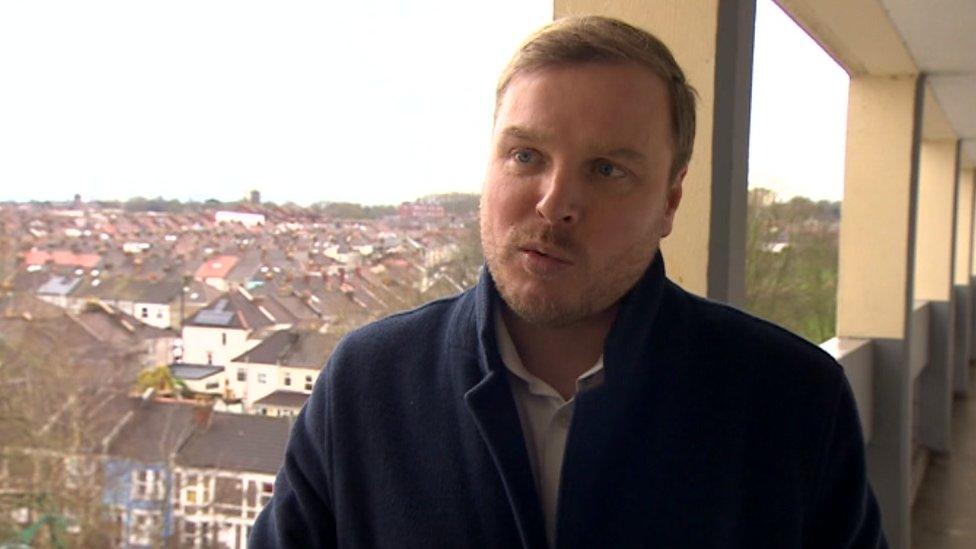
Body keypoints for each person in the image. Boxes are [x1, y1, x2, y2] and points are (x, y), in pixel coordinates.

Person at [250, 15, 885, 548]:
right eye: (525, 156)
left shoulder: (792, 400)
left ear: (670, 201)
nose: (555, 203)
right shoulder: (368, 384)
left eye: (607, 169)